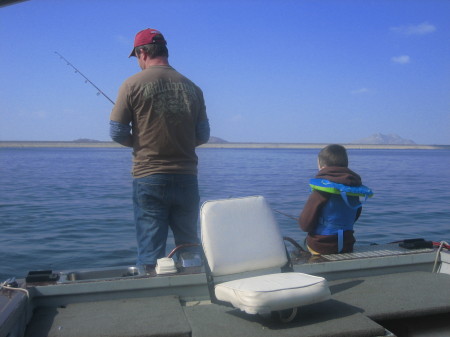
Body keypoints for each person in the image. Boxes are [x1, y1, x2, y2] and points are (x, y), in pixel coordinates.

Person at [109, 28, 210, 271]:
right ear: (164, 51)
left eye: (137, 57)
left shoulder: (131, 84)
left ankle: (149, 290)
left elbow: (117, 132)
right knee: (189, 244)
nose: (138, 63)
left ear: (142, 52)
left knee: (151, 247)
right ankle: (193, 287)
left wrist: (143, 142)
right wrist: (179, 143)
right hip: (187, 177)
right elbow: (203, 135)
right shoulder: (193, 88)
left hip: (149, 177)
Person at [298, 144, 372, 255]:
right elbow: (354, 217)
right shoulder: (352, 189)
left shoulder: (321, 190)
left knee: (302, 244)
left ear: (321, 165)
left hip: (322, 246)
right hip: (347, 244)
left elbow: (305, 226)